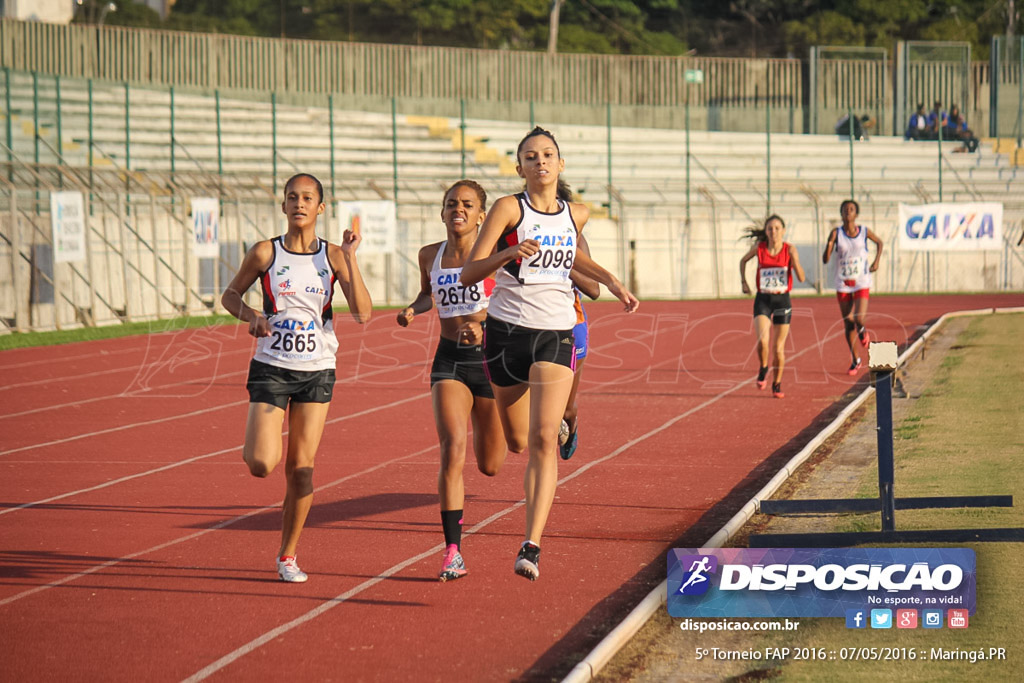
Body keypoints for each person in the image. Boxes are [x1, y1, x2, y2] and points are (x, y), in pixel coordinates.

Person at [461, 126, 639, 581]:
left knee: (542, 441)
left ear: (561, 165)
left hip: (555, 333)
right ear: (519, 167)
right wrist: (507, 253)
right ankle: (548, 423)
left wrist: (615, 284)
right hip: (505, 334)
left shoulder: (574, 214)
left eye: (548, 155)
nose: (540, 161)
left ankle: (531, 545)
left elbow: (578, 261)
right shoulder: (507, 208)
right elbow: (468, 273)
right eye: (530, 156)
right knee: (517, 440)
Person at [221, 173, 372, 583]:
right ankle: (260, 444)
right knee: (260, 463)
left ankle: (287, 555)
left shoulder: (333, 257)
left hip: (317, 370)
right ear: (283, 205)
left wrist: (351, 258)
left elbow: (363, 313)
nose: (299, 204)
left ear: (320, 207)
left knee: (302, 469)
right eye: (292, 197)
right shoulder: (265, 252)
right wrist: (252, 316)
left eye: (308, 198)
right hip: (272, 366)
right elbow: (229, 295)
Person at [396, 179, 506, 582]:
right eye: (450, 204)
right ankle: (452, 551)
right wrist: (413, 308)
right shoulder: (430, 254)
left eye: (467, 204)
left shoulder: (494, 254)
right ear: (442, 212)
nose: (457, 209)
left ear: (481, 215)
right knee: (452, 447)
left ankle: (546, 413)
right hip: (450, 361)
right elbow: (428, 294)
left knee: (492, 464)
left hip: (494, 361)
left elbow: (514, 303)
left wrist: (484, 323)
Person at [739, 215, 806, 398]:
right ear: (766, 232)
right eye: (770, 229)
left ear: (783, 231)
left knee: (778, 348)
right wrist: (744, 283)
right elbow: (743, 261)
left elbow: (801, 277)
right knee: (762, 341)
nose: (773, 232)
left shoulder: (789, 249)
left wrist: (794, 260)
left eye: (777, 228)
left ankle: (777, 384)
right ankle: (763, 367)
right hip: (763, 300)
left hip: (782, 300)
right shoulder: (760, 248)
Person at [822, 199, 883, 376]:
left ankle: (863, 331)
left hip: (861, 281)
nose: (848, 212)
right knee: (848, 323)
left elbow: (879, 242)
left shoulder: (864, 231)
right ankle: (855, 359)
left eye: (851, 209)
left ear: (856, 214)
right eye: (845, 209)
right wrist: (830, 243)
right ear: (841, 214)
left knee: (859, 318)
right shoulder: (837, 233)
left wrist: (876, 261)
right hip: (843, 283)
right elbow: (825, 260)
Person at [559, 232, 601, 460]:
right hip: (530, 325)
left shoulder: (576, 239)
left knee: (564, 408)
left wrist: (558, 262)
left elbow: (593, 289)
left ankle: (570, 424)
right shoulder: (520, 232)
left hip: (570, 327)